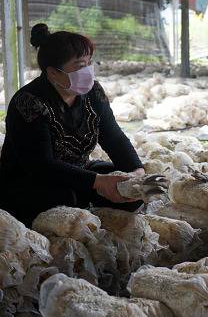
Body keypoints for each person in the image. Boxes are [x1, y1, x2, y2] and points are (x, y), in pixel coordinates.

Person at [0, 24, 145, 226]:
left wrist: (136, 172)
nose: (87, 71)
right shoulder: (28, 102)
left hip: (79, 172)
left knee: (130, 191)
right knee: (65, 199)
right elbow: (41, 165)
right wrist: (97, 182)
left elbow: (114, 138)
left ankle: (88, 197)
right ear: (52, 73)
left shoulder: (93, 92)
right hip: (30, 180)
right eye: (79, 65)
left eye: (89, 63)